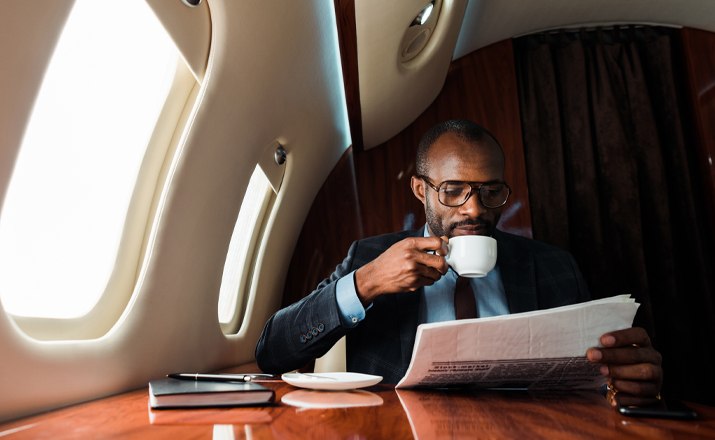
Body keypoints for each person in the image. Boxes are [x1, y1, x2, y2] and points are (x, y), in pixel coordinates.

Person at [255, 119, 662, 401]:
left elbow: (590, 378)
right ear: (421, 190)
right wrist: (365, 284)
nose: (473, 209)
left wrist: (622, 382)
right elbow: (273, 352)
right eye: (453, 190)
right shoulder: (370, 257)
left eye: (490, 191)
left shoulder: (554, 267)